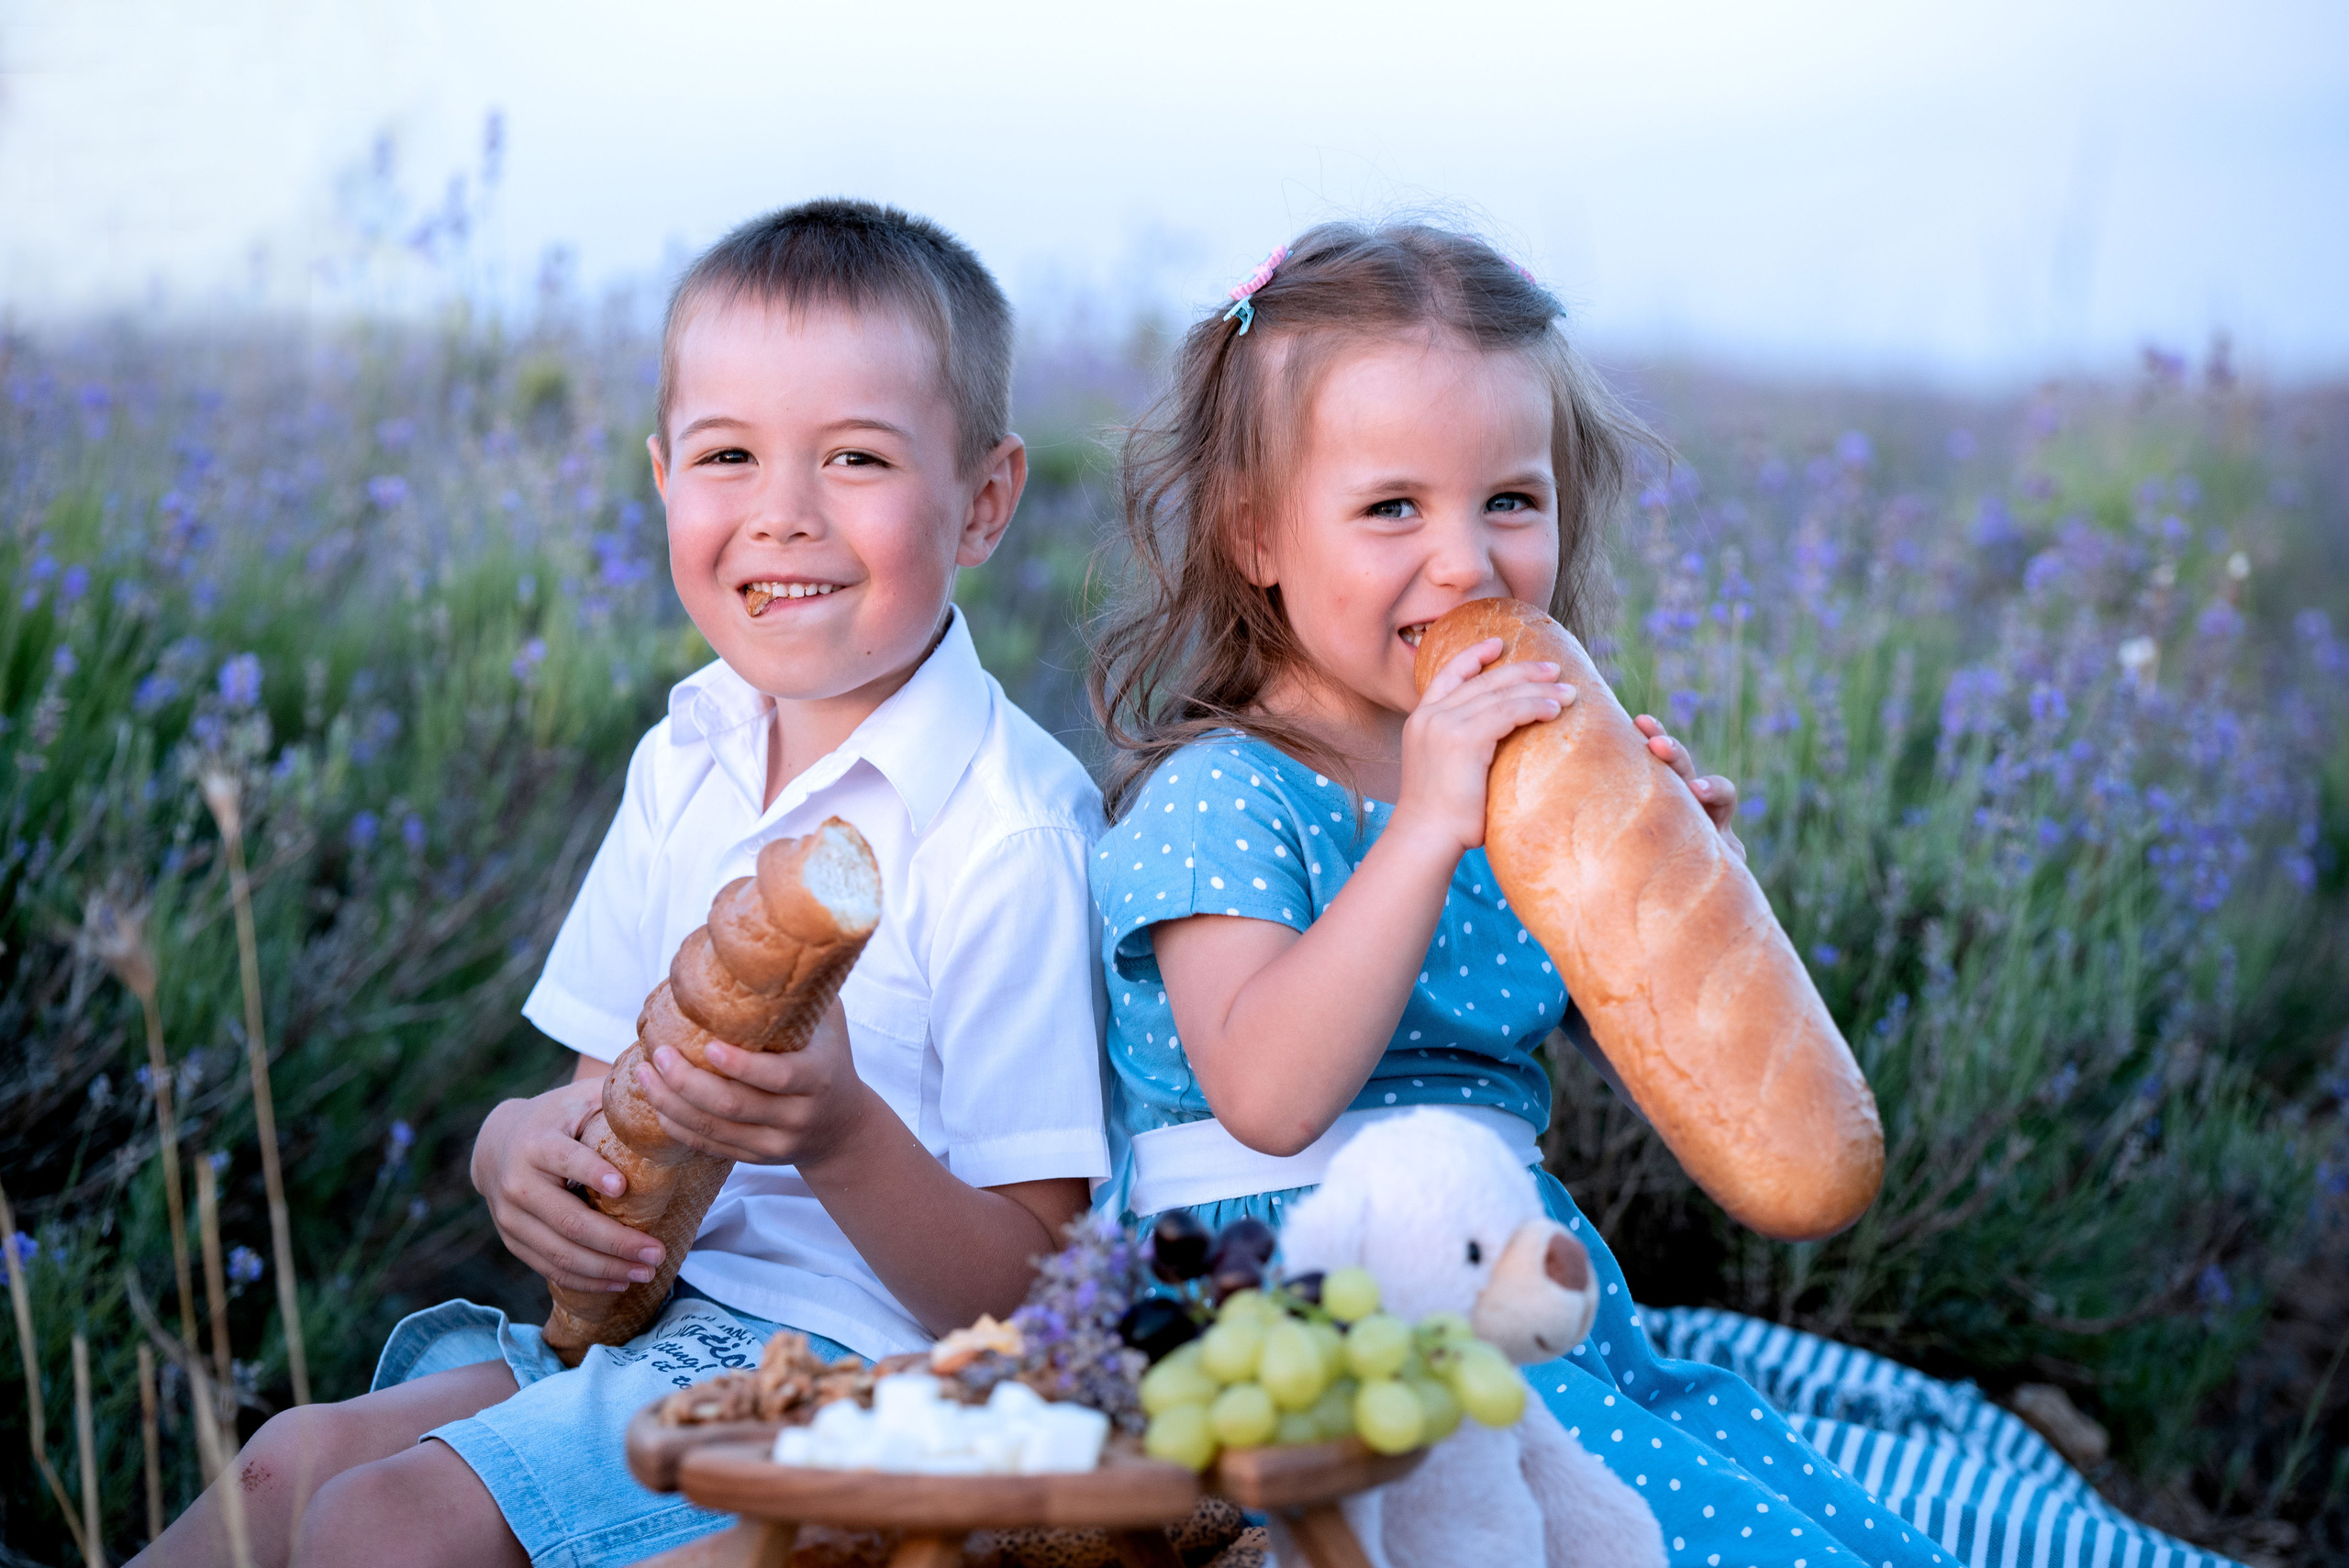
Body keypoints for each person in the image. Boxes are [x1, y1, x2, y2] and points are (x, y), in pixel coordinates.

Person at [1085, 221, 2238, 1567]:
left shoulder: (1513, 785)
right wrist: (1426, 834)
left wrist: (1674, 890)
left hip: (1514, 1281)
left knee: (1775, 1490)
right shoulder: (1228, 795)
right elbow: (1269, 1094)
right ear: (1257, 535)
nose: (1464, 561)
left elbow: (1637, 1073)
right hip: (1292, 1304)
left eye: (1509, 500)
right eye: (1392, 507)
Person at [139, 199, 1112, 1568]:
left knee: (388, 1524)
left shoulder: (1007, 833)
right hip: (662, 1324)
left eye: (855, 457)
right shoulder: (688, 753)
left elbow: (1037, 1302)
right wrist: (513, 1150)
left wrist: (838, 1136)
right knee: (289, 1464)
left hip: (866, 1387)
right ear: (663, 479)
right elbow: (607, 1102)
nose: (783, 513)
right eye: (729, 455)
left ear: (987, 501)